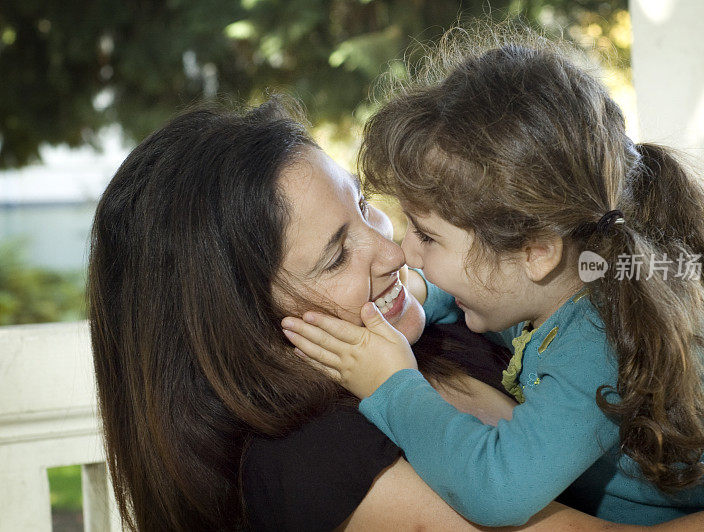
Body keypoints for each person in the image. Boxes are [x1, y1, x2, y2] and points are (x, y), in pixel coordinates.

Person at [280, 25, 704, 528]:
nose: (403, 252)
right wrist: (420, 290)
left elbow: (497, 489)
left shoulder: (599, 343)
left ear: (535, 252)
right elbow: (484, 284)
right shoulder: (567, 284)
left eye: (428, 237)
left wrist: (391, 384)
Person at [86, 97, 630, 531]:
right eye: (336, 257)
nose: (393, 252)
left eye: (365, 204)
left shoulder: (433, 333)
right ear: (242, 330)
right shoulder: (315, 459)